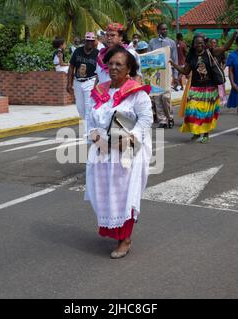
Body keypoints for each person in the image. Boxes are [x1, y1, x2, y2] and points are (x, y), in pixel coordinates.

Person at [86, 46, 153, 259]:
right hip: (102, 152)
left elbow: (146, 120)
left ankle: (125, 239)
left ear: (129, 69)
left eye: (119, 65)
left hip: (127, 153)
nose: (113, 68)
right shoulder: (99, 91)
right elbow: (89, 120)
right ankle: (115, 232)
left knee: (125, 195)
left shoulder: (137, 93)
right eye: (111, 64)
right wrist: (96, 137)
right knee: (105, 195)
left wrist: (128, 138)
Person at [170, 31, 237, 143]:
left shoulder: (210, 52)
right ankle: (196, 132)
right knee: (192, 110)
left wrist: (233, 37)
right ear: (194, 44)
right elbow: (186, 71)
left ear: (204, 44)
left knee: (206, 113)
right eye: (197, 43)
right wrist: (174, 65)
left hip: (209, 88)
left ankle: (205, 134)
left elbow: (225, 48)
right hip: (195, 88)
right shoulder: (191, 56)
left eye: (201, 43)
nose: (199, 45)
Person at [66, 32, 99, 135]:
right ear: (85, 41)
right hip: (78, 82)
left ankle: (88, 131)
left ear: (94, 42)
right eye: (88, 40)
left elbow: (99, 70)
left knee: (88, 106)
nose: (90, 43)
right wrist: (69, 83)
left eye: (92, 41)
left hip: (90, 81)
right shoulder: (77, 51)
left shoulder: (97, 53)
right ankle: (89, 126)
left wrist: (96, 84)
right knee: (80, 107)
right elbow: (71, 67)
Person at [148, 23, 178, 128]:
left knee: (166, 97)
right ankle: (162, 120)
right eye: (162, 29)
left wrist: (176, 75)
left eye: (166, 29)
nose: (164, 31)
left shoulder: (171, 43)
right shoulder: (152, 42)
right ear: (158, 30)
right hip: (155, 73)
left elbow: (175, 59)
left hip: (167, 72)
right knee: (157, 97)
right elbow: (148, 57)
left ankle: (170, 117)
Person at [208, 37, 227, 107]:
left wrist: (222, 69)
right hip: (210, 74)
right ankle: (213, 103)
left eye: (214, 42)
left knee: (220, 88)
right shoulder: (208, 52)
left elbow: (224, 62)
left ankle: (220, 101)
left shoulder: (220, 51)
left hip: (218, 73)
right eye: (211, 43)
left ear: (216, 43)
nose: (213, 44)